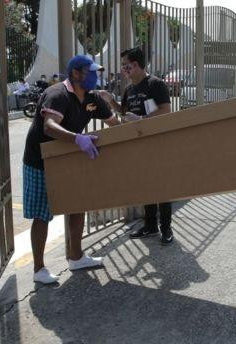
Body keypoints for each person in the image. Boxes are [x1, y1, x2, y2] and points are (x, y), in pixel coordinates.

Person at [22, 55, 121, 284]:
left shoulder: (92, 98)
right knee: (42, 214)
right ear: (76, 73)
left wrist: (135, 128)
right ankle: (38, 269)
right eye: (91, 72)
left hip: (69, 158)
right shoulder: (57, 95)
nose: (96, 77)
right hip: (41, 160)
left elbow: (113, 123)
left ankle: (76, 257)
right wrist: (78, 139)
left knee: (77, 205)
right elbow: (50, 127)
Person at [98, 47, 174, 245]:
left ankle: (166, 228)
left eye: (126, 66)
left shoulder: (156, 84)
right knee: (146, 184)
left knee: (162, 185)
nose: (124, 70)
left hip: (157, 143)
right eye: (123, 66)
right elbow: (124, 111)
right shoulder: (129, 89)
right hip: (138, 145)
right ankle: (150, 225)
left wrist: (142, 118)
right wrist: (111, 101)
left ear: (137, 65)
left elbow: (166, 111)